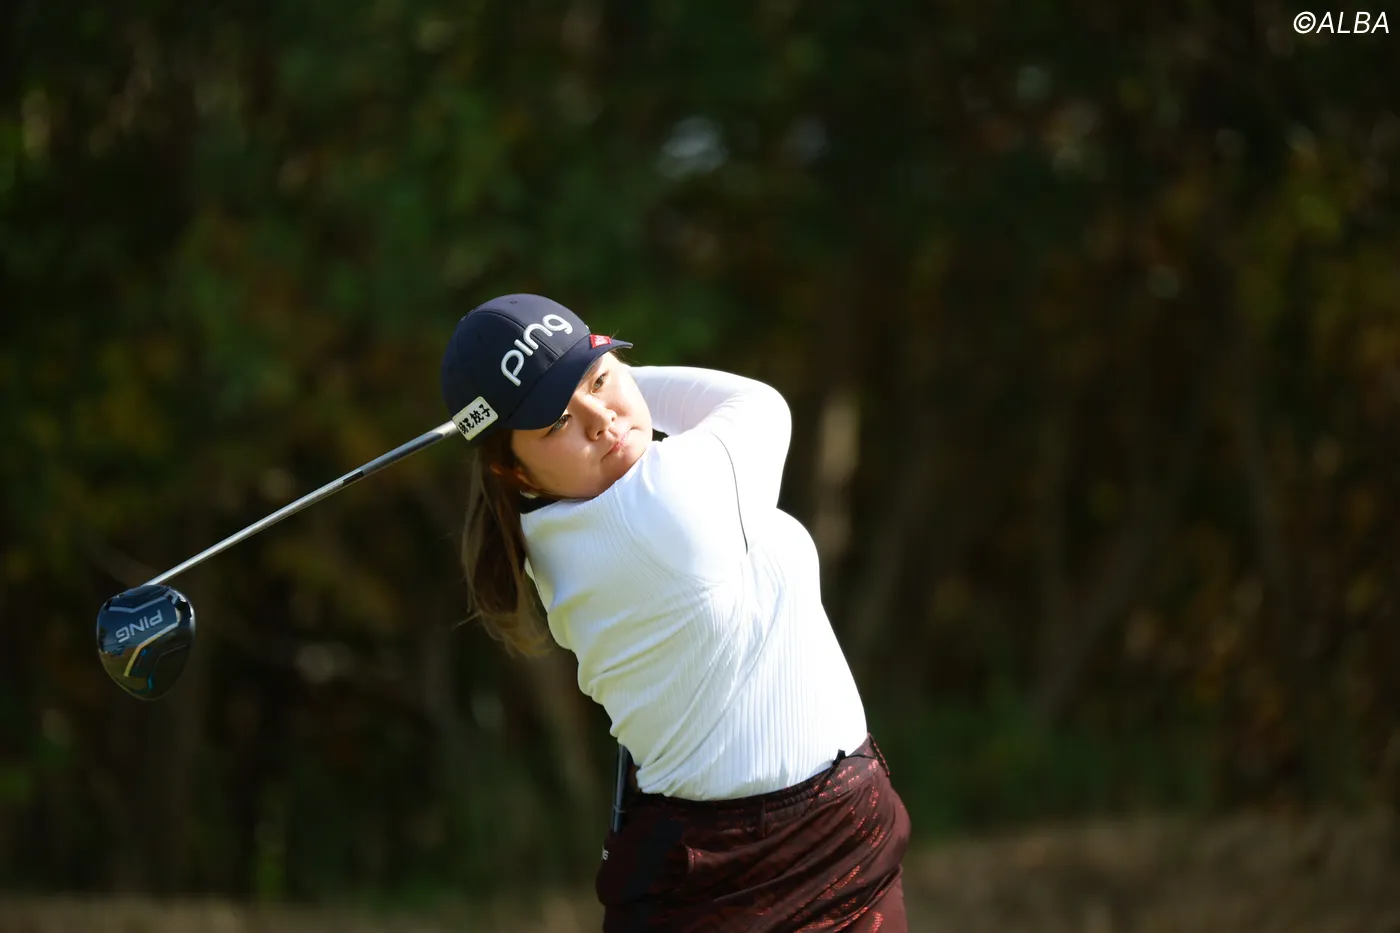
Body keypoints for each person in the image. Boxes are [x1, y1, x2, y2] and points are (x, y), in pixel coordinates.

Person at [439, 294, 911, 931]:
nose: (601, 420)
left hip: (823, 838)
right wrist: (602, 374)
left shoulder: (548, 534)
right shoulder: (661, 505)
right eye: (556, 422)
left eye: (600, 381)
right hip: (739, 872)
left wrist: (554, 384)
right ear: (513, 470)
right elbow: (758, 403)